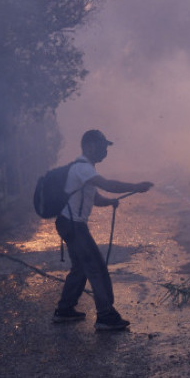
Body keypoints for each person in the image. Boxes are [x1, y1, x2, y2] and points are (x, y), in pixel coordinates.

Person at [53, 129, 153, 331]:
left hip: (69, 223)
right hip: (73, 225)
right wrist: (136, 186)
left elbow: (95, 197)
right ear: (89, 145)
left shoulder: (85, 169)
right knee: (96, 267)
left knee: (81, 268)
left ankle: (64, 310)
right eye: (102, 146)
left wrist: (109, 202)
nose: (104, 151)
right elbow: (108, 184)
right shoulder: (83, 168)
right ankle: (106, 316)